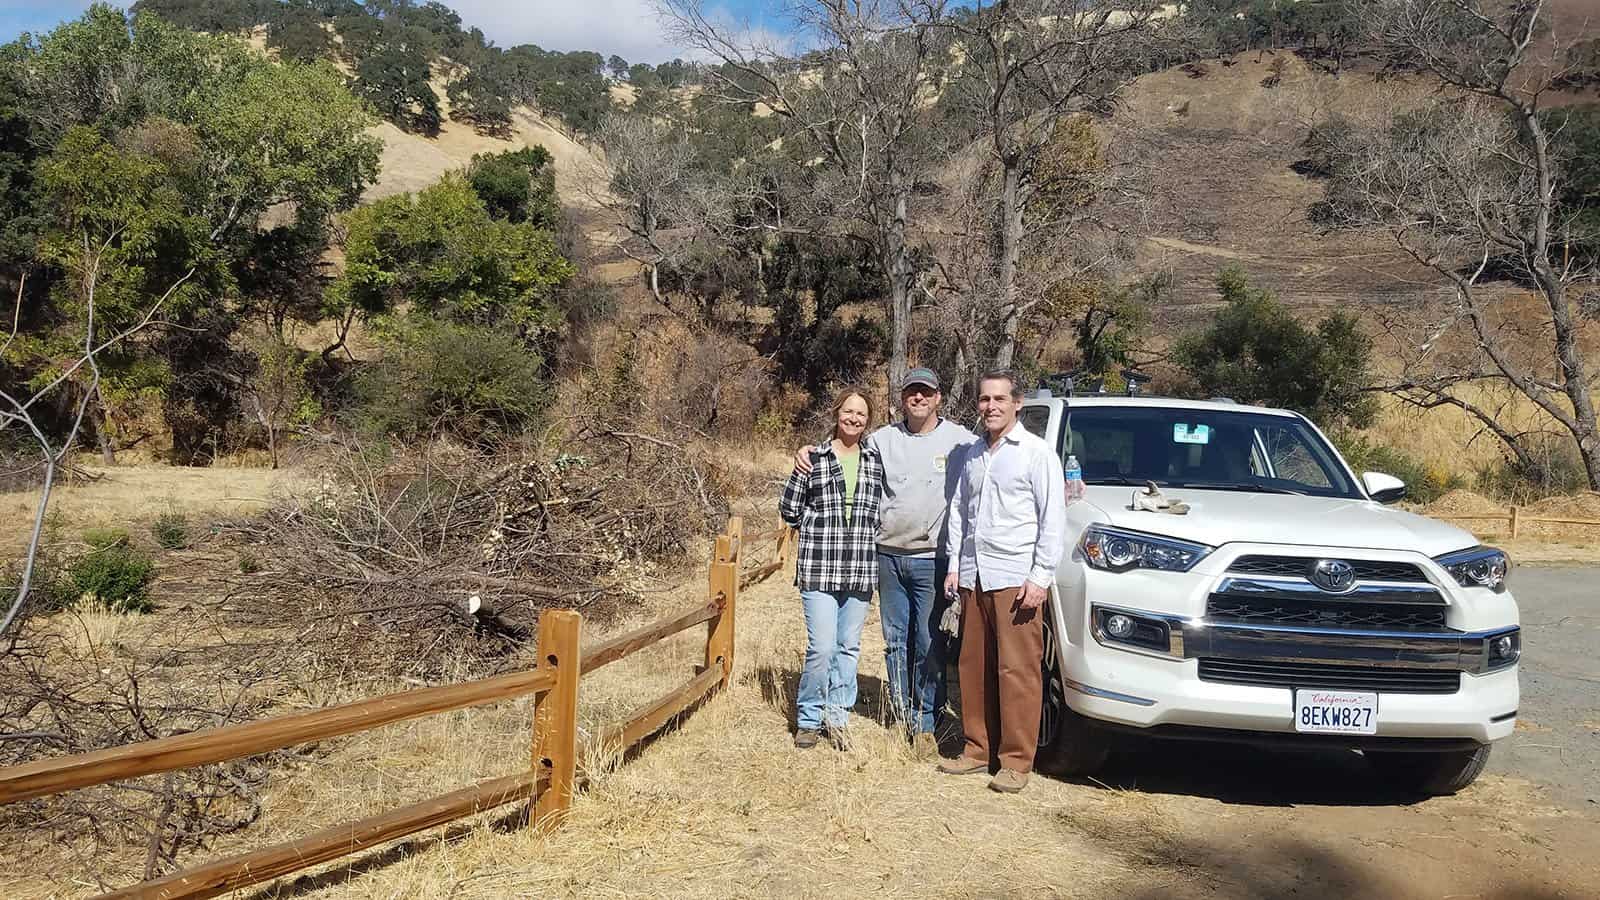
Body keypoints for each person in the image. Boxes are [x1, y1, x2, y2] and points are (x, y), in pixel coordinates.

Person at [792, 368, 971, 757]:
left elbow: (993, 453)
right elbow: (840, 449)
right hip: (887, 558)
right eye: (911, 392)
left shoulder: (959, 440)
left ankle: (926, 720)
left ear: (938, 397)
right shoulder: (882, 441)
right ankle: (901, 713)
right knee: (893, 643)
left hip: (931, 560)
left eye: (925, 392)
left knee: (927, 642)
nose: (918, 398)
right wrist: (805, 451)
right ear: (902, 398)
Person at [937, 370, 1067, 794]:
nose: (990, 407)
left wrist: (1040, 577)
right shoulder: (974, 454)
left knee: (1017, 670)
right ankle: (977, 749)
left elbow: (1053, 520)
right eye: (984, 399)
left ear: (1017, 403)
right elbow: (960, 513)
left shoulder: (1036, 453)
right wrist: (956, 565)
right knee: (972, 667)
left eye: (999, 399)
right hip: (975, 576)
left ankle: (1015, 760)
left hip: (1016, 578)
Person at [778, 387, 887, 749]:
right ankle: (809, 717)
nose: (854, 419)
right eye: (848, 411)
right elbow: (789, 510)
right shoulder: (814, 456)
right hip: (820, 568)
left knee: (848, 647)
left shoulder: (875, 459)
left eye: (861, 414)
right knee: (822, 647)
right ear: (837, 413)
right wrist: (799, 472)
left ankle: (837, 717)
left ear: (868, 420)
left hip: (859, 569)